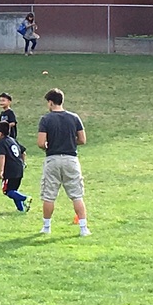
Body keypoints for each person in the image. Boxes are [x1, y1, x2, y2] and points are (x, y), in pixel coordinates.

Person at [37, 88, 90, 236]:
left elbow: (41, 142)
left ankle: (46, 227)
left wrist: (49, 145)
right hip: (71, 159)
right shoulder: (74, 117)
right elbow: (82, 140)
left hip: (52, 159)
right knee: (76, 195)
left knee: (49, 195)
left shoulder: (46, 119)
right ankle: (83, 228)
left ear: (50, 102)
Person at [0, 122, 32, 212]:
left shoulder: (1, 143)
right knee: (14, 190)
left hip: (10, 170)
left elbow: (2, 156)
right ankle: (21, 209)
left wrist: (1, 171)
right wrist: (23, 163)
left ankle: (25, 198)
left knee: (7, 191)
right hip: (19, 168)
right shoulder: (12, 140)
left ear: (0, 133)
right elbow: (23, 152)